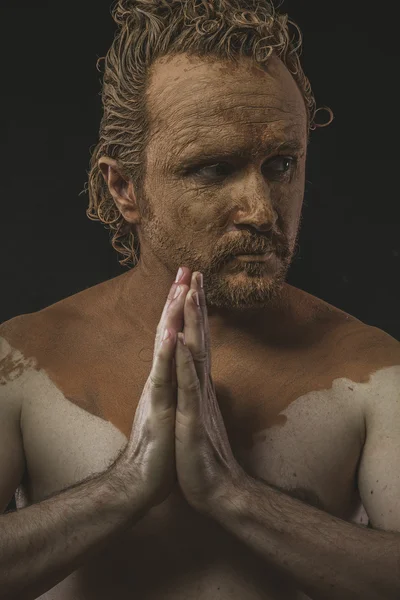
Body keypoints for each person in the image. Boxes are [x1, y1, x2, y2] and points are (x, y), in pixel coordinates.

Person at [0, 1, 399, 598]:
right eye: (214, 169)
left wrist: (232, 494)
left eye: (281, 164)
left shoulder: (371, 369)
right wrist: (127, 484)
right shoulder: (22, 362)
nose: (263, 211)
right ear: (124, 187)